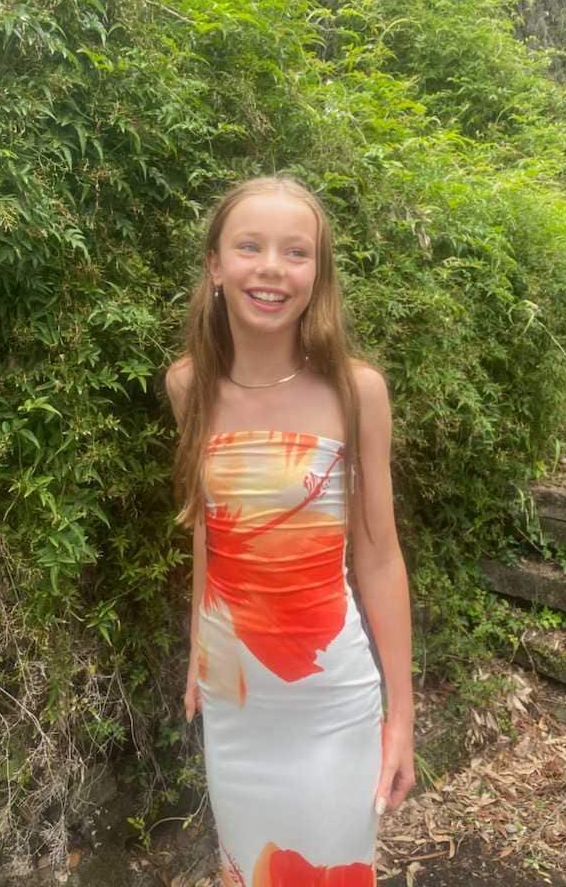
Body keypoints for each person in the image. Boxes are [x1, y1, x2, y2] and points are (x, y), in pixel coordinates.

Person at [165, 175, 415, 886]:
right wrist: (196, 651)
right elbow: (210, 532)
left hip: (329, 701)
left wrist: (400, 716)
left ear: (318, 276)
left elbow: (378, 556)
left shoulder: (355, 391)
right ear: (216, 265)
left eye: (295, 252)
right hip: (234, 696)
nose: (271, 267)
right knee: (247, 871)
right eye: (250, 246)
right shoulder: (188, 386)